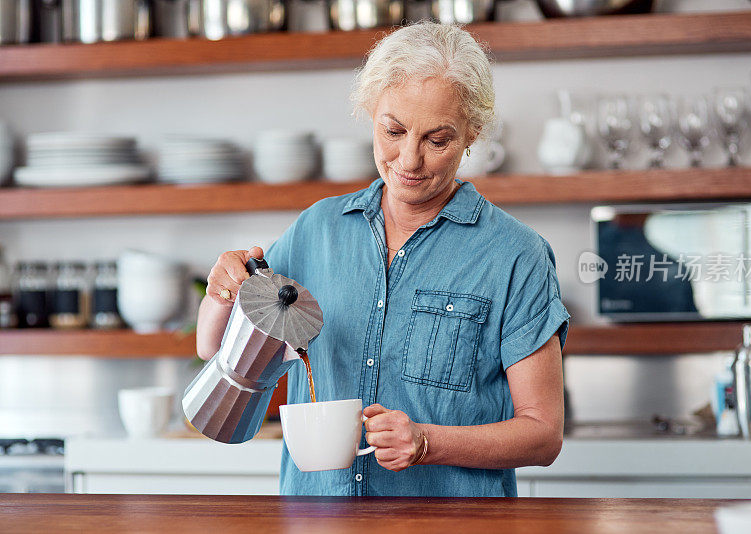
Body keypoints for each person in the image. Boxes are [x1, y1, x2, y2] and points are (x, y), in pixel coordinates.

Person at [196, 21, 570, 497]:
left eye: (438, 140)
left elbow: (543, 434)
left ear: (473, 131)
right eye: (393, 131)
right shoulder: (318, 230)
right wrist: (221, 293)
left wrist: (427, 442)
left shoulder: (516, 255)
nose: (409, 160)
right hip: (318, 522)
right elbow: (215, 348)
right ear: (370, 111)